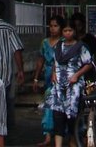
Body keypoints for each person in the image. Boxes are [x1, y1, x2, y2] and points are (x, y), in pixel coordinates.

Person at [48, 19, 94, 147]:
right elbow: (54, 62)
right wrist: (53, 74)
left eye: (70, 30)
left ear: (74, 31)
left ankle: (73, 140)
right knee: (58, 116)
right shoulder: (58, 46)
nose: (67, 33)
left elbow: (89, 64)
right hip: (58, 86)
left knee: (72, 116)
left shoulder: (81, 47)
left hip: (74, 86)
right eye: (65, 30)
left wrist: (77, 75)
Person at [32, 14, 63, 147]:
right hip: (48, 75)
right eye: (51, 26)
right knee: (48, 104)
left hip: (61, 76)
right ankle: (48, 135)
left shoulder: (63, 42)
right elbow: (40, 61)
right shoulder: (45, 43)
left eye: (55, 26)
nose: (52, 28)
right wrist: (36, 78)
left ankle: (59, 134)